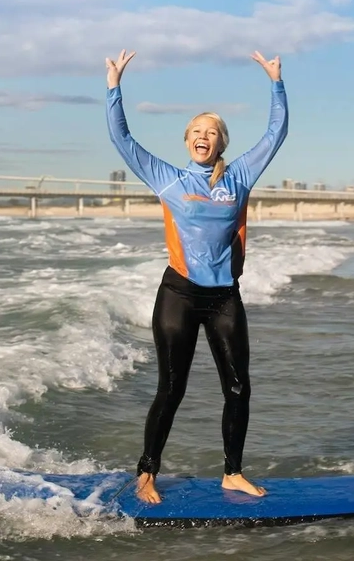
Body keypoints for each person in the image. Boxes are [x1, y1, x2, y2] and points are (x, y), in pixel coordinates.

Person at [105, 48, 288, 505]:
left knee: (239, 387)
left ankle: (233, 473)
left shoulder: (240, 176)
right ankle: (147, 472)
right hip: (179, 296)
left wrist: (275, 82)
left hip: (225, 297)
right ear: (187, 140)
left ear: (221, 143)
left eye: (213, 132)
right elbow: (123, 140)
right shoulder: (166, 177)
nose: (204, 136)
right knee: (172, 387)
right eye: (197, 131)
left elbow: (276, 133)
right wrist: (114, 87)